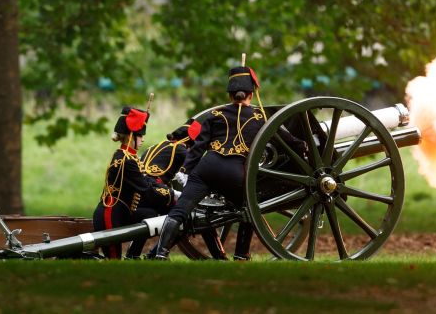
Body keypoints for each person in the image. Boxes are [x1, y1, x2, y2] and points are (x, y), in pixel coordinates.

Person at [152, 65, 305, 261]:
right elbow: (286, 138)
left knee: (180, 211)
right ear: (251, 94)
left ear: (230, 95)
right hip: (235, 172)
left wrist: (185, 170)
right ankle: (241, 255)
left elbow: (199, 147)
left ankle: (161, 253)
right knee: (251, 208)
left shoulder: (214, 115)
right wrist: (302, 146)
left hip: (206, 169)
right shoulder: (260, 117)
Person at [93, 106, 174, 259]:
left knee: (149, 214)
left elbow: (146, 182)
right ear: (131, 136)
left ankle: (133, 255)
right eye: (139, 135)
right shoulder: (126, 160)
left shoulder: (128, 157)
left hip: (123, 212)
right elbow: (146, 190)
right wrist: (171, 196)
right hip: (110, 214)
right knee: (114, 261)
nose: (142, 139)